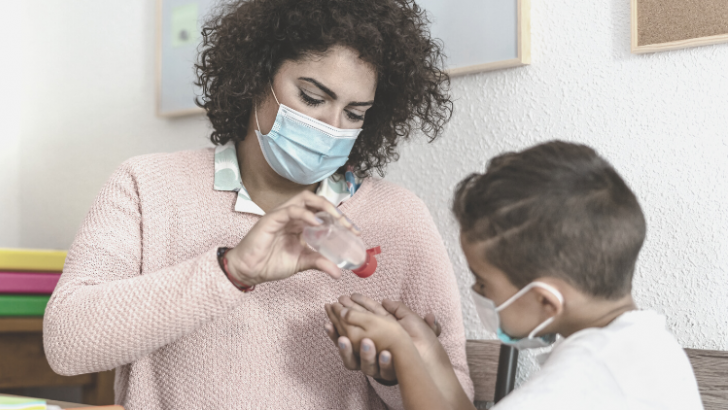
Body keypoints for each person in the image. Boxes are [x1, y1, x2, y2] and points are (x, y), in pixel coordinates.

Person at [43, 0, 473, 408]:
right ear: (256, 76)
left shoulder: (399, 218)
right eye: (312, 97)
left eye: (355, 113)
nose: (332, 128)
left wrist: (392, 375)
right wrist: (230, 271)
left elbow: (455, 394)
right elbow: (66, 345)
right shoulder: (146, 186)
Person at [327, 141, 704, 410]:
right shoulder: (644, 345)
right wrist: (432, 357)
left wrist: (403, 353)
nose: (476, 291)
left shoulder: (575, 381)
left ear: (546, 300)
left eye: (483, 283)